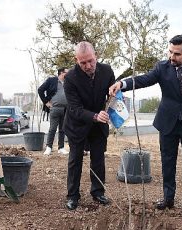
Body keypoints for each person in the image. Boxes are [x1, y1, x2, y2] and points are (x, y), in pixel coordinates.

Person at [109, 34, 182, 221]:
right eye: (170, 52)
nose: (172, 57)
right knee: (167, 162)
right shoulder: (162, 67)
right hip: (167, 123)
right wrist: (122, 83)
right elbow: (144, 79)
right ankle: (168, 198)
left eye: (177, 54)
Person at [63, 41, 115, 210]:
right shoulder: (70, 78)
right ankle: (72, 195)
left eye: (90, 61)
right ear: (76, 60)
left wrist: (114, 105)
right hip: (77, 124)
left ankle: (98, 192)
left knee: (98, 159)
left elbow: (112, 96)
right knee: (75, 160)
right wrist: (94, 115)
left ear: (96, 56)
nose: (88, 65)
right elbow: (75, 108)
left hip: (99, 125)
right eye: (82, 62)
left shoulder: (107, 71)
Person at [38, 67, 69, 155]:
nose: (69, 74)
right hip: (54, 108)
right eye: (67, 72)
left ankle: (61, 148)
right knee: (52, 128)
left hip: (65, 109)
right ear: (61, 73)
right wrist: (46, 102)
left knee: (63, 129)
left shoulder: (68, 82)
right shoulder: (51, 80)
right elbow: (40, 90)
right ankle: (49, 147)